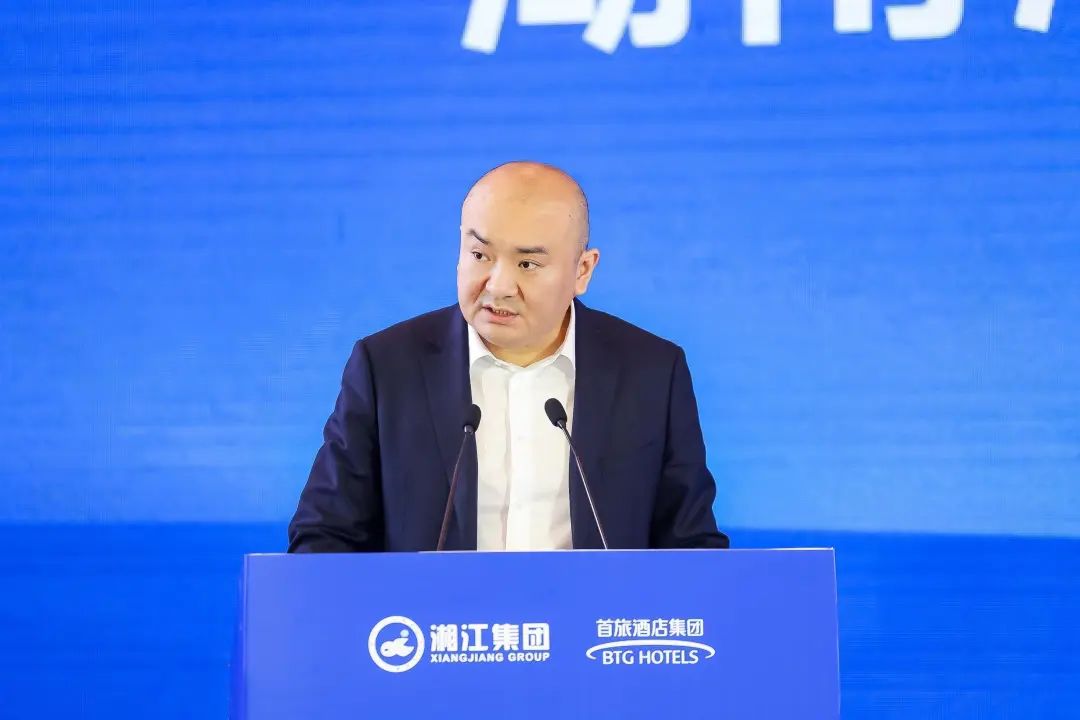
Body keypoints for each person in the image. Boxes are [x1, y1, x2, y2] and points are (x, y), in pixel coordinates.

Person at [288, 161, 728, 552]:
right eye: (480, 254)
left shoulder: (651, 372)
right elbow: (324, 538)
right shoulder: (387, 367)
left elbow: (691, 548)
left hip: (596, 620)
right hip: (432, 618)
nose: (497, 286)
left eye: (527, 264)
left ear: (582, 270)